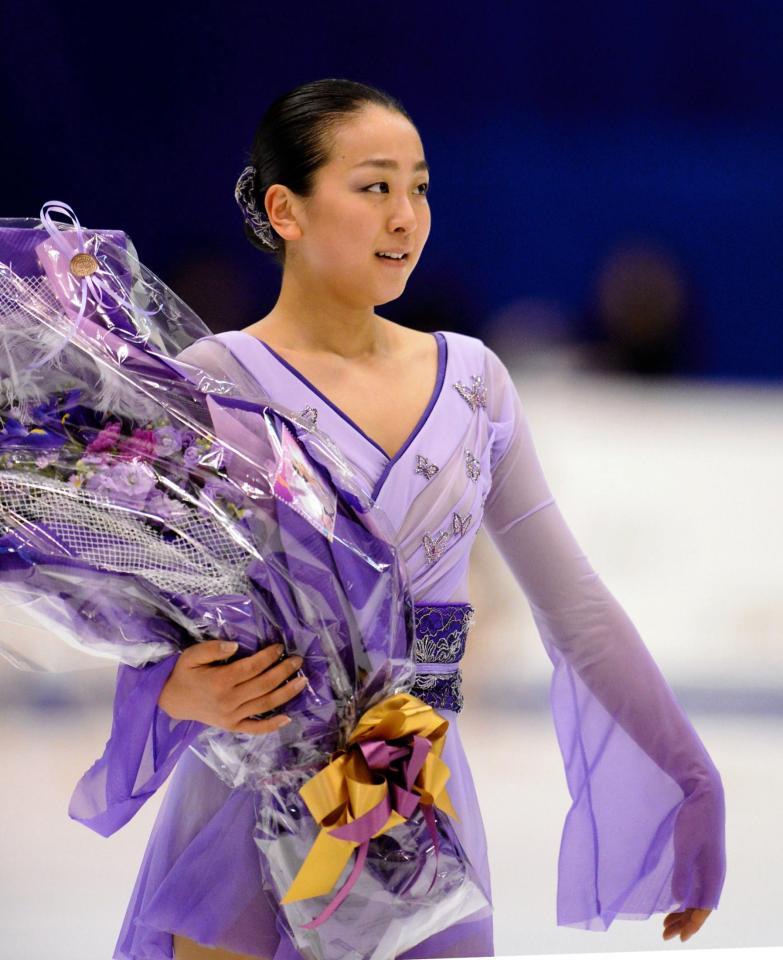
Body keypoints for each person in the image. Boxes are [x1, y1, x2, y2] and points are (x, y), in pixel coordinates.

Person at [69, 78, 726, 959]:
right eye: (373, 186)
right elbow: (117, 604)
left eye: (418, 187)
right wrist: (171, 689)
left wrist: (690, 779)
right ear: (285, 209)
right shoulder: (209, 383)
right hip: (244, 813)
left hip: (415, 817)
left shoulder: (473, 382)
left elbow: (575, 609)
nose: (405, 215)